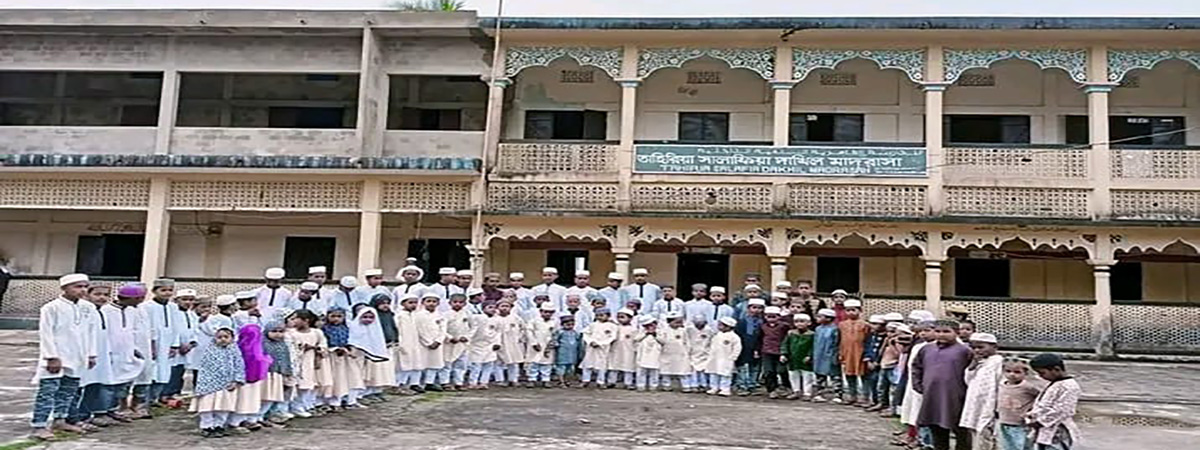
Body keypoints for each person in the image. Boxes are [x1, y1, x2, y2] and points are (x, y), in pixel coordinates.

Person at [913, 319, 974, 450]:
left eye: (946, 331)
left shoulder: (964, 351)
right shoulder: (926, 349)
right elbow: (916, 367)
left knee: (960, 429)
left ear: (957, 333)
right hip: (932, 395)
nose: (941, 335)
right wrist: (917, 384)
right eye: (938, 331)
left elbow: (972, 371)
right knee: (936, 427)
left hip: (956, 396)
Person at [99, 284, 147, 425]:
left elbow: (131, 332)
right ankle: (104, 411)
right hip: (110, 353)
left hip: (126, 353)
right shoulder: (106, 310)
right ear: (131, 298)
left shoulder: (132, 311)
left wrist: (134, 348)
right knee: (108, 384)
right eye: (140, 298)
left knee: (123, 384)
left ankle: (114, 410)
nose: (142, 301)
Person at [66, 285, 113, 430]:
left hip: (101, 354)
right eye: (97, 294)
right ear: (88, 295)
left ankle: (87, 415)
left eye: (105, 295)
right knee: (78, 386)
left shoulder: (104, 311)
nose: (102, 297)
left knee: (94, 384)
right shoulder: (83, 310)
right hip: (84, 354)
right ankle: (74, 417)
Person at [191, 326, 243, 438]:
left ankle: (219, 425)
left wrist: (236, 380)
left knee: (223, 406)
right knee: (207, 407)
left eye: (226, 337)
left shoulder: (235, 351)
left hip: (227, 385)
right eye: (219, 337)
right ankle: (207, 426)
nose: (223, 339)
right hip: (209, 385)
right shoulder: (209, 351)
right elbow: (204, 368)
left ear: (232, 338)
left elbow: (239, 366)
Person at [139, 278, 180, 410]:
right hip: (153, 343)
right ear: (154, 291)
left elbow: (176, 326)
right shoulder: (146, 306)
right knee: (151, 372)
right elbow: (147, 327)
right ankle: (144, 401)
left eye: (170, 290)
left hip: (167, 343)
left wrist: (174, 345)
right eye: (163, 290)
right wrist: (150, 345)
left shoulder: (173, 307)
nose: (167, 293)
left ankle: (154, 398)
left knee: (164, 372)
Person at [1026, 353, 1081, 450]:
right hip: (1045, 429)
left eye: (1042, 373)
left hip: (1057, 429)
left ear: (1056, 369)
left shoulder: (1070, 386)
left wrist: (1041, 422)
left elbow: (1063, 410)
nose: (1040, 376)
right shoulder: (1056, 383)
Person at [961, 333, 1005, 450]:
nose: (977, 350)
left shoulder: (998, 362)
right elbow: (968, 381)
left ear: (994, 347)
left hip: (989, 403)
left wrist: (997, 406)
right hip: (975, 404)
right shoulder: (979, 362)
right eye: (974, 348)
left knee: (986, 432)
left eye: (981, 347)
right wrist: (972, 366)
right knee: (974, 430)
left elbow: (1001, 383)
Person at [285, 309, 326, 417]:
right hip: (295, 362)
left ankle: (300, 406)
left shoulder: (316, 333)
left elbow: (323, 346)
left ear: (306, 320)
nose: (293, 321)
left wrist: (316, 349)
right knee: (293, 384)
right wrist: (301, 348)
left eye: (296, 318)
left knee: (306, 384)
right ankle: (287, 407)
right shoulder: (290, 333)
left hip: (309, 361)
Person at [349, 304, 393, 403]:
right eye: (365, 317)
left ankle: (367, 393)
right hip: (356, 355)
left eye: (371, 317)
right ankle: (355, 397)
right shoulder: (353, 326)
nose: (368, 319)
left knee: (370, 375)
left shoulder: (375, 329)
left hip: (370, 357)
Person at [231, 323, 270, 432]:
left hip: (251, 379)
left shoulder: (242, 347)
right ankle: (236, 422)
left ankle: (246, 420)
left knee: (247, 399)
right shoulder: (239, 348)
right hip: (245, 379)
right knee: (244, 400)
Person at [163, 288, 199, 407]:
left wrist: (191, 343)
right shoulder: (173, 313)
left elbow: (195, 330)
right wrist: (177, 345)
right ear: (177, 300)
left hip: (187, 349)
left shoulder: (192, 314)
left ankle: (175, 393)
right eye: (184, 299)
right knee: (172, 371)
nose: (188, 302)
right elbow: (173, 330)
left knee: (181, 371)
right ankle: (165, 395)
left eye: (191, 300)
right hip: (174, 348)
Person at [997, 360, 1043, 450]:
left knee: (1021, 445)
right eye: (1008, 371)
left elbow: (1040, 397)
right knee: (1007, 445)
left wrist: (1032, 410)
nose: (1012, 374)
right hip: (1004, 420)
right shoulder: (1002, 385)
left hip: (1021, 423)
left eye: (1017, 372)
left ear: (1025, 373)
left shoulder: (1028, 387)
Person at [835, 299, 871, 405]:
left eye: (853, 310)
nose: (850, 312)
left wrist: (867, 354)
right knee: (849, 375)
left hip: (860, 353)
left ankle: (865, 397)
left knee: (864, 375)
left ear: (860, 310)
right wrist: (840, 353)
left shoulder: (865, 325)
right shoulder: (842, 325)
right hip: (847, 353)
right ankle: (852, 396)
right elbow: (839, 340)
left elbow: (868, 340)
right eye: (848, 310)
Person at [320, 307, 358, 407]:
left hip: (344, 357)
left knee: (342, 378)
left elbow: (350, 341)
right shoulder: (324, 329)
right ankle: (327, 400)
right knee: (331, 378)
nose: (336, 319)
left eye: (339, 316)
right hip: (330, 356)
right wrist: (334, 348)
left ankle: (340, 399)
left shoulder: (346, 328)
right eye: (333, 316)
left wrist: (349, 349)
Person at [259, 319, 295, 425]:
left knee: (276, 395)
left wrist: (287, 371)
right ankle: (259, 416)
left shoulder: (283, 344)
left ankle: (271, 414)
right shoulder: (263, 344)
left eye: (281, 331)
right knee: (266, 395)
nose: (278, 334)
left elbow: (286, 359)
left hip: (278, 374)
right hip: (267, 375)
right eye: (274, 331)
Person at [415, 293, 447, 392]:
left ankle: (430, 382)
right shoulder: (419, 315)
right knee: (421, 363)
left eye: (434, 301)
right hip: (423, 343)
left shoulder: (440, 315)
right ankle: (417, 383)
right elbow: (420, 330)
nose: (431, 303)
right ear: (423, 302)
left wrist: (438, 340)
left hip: (437, 343)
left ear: (438, 303)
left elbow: (443, 329)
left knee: (434, 364)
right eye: (428, 301)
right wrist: (428, 342)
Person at [441, 293, 473, 390]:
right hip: (449, 343)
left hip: (463, 342)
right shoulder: (445, 315)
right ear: (449, 303)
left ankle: (458, 382)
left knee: (461, 363)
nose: (457, 304)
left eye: (460, 302)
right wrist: (449, 337)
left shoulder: (468, 314)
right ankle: (445, 382)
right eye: (455, 302)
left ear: (465, 304)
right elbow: (442, 328)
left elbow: (473, 327)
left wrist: (467, 336)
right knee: (447, 363)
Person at [733, 298, 765, 396]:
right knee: (742, 367)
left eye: (759, 308)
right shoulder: (741, 321)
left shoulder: (763, 322)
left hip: (757, 347)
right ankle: (741, 386)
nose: (756, 310)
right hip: (744, 346)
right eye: (754, 307)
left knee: (755, 367)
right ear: (748, 308)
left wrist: (757, 348)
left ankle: (752, 385)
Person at [578, 306, 616, 388]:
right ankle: (585, 380)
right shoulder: (593, 325)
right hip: (591, 348)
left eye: (602, 315)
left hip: (603, 348)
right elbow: (586, 334)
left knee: (601, 366)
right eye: (597, 315)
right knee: (587, 364)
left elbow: (612, 337)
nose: (599, 317)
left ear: (608, 316)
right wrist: (590, 341)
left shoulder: (612, 326)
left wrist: (600, 343)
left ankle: (600, 381)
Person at [466, 302, 502, 389]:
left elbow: (498, 332)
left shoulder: (497, 320)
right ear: (483, 309)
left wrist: (497, 343)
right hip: (477, 344)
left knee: (489, 364)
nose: (493, 309)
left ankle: (484, 382)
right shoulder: (477, 318)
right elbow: (472, 327)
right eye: (490, 307)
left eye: (494, 307)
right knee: (476, 365)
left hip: (490, 344)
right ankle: (473, 382)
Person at [758, 306, 790, 399]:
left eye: (774, 316)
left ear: (779, 317)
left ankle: (786, 387)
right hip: (767, 351)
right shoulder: (763, 327)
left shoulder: (784, 326)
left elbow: (787, 339)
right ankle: (771, 389)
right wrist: (757, 350)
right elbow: (759, 338)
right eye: (769, 316)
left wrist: (785, 352)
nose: (771, 319)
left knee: (782, 370)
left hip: (780, 351)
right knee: (768, 371)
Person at [781, 313, 815, 400]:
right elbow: (785, 344)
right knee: (793, 375)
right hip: (793, 358)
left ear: (809, 323)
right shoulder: (791, 333)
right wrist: (784, 354)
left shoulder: (812, 335)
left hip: (805, 358)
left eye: (802, 321)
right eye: (796, 322)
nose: (799, 324)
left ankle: (807, 393)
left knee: (807, 376)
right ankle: (796, 390)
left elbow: (813, 346)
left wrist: (809, 355)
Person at [704, 316, 741, 396]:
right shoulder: (717, 335)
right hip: (714, 358)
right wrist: (708, 353)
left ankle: (725, 389)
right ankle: (714, 387)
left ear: (728, 327)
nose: (719, 327)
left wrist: (733, 357)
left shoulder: (734, 337)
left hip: (726, 358)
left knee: (725, 375)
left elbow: (737, 348)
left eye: (721, 325)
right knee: (713, 373)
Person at [524, 302, 558, 388]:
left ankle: (545, 380)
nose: (547, 314)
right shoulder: (534, 321)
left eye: (550, 312)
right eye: (545, 312)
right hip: (536, 345)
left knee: (547, 364)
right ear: (541, 311)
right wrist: (534, 343)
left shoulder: (555, 322)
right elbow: (529, 332)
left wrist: (553, 343)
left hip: (547, 346)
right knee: (533, 363)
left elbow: (556, 333)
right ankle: (532, 379)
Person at [494, 300, 526, 387]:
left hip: (513, 343)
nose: (504, 308)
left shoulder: (516, 318)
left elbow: (523, 329)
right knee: (499, 362)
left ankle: (513, 379)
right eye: (502, 306)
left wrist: (520, 338)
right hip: (500, 343)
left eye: (507, 306)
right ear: (497, 308)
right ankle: (499, 380)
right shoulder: (495, 319)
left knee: (514, 362)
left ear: (511, 308)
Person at [812, 308, 840, 402]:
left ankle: (837, 394)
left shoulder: (834, 329)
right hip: (819, 355)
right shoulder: (818, 329)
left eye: (820, 316)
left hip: (831, 355)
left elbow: (836, 343)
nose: (818, 318)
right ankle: (820, 394)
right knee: (820, 375)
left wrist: (836, 355)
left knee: (834, 375)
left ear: (828, 318)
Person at [658, 311, 690, 391]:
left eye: (679, 322)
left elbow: (687, 342)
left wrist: (687, 350)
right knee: (666, 370)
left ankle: (685, 385)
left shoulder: (683, 330)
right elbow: (661, 340)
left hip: (680, 353)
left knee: (682, 370)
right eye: (676, 322)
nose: (678, 324)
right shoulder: (664, 330)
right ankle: (666, 385)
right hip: (667, 352)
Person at [861, 314, 888, 409]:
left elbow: (882, 351)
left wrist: (877, 362)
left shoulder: (886, 337)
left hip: (880, 363)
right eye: (872, 323)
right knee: (872, 382)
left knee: (880, 384)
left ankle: (882, 402)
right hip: (871, 362)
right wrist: (868, 360)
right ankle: (874, 400)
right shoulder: (871, 335)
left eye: (876, 324)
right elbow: (867, 347)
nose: (873, 326)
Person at [607, 308, 639, 389]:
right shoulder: (615, 327)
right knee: (613, 366)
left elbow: (636, 341)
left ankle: (628, 383)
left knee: (628, 366)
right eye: (618, 317)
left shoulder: (634, 329)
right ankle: (611, 381)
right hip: (615, 349)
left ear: (630, 318)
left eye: (622, 317)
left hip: (628, 350)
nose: (620, 319)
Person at [550, 315, 582, 387]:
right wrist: (555, 345)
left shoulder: (575, 333)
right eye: (568, 324)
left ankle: (567, 380)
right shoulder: (560, 332)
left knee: (570, 369)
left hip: (572, 353)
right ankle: (561, 381)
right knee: (561, 368)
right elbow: (555, 340)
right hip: (562, 353)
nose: (570, 326)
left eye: (572, 324)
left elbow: (578, 341)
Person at [684, 315, 713, 394]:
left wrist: (708, 351)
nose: (699, 326)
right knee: (693, 370)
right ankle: (694, 385)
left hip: (704, 353)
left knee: (703, 370)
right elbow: (686, 339)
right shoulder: (689, 329)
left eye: (701, 324)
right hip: (692, 352)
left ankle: (703, 384)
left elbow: (711, 341)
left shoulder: (709, 330)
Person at [633, 315, 663, 392]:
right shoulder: (641, 331)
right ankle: (640, 385)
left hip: (655, 354)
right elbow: (636, 339)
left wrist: (655, 334)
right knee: (641, 371)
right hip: (643, 354)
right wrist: (646, 333)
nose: (651, 327)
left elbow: (663, 341)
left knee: (654, 371)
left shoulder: (660, 331)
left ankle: (653, 385)